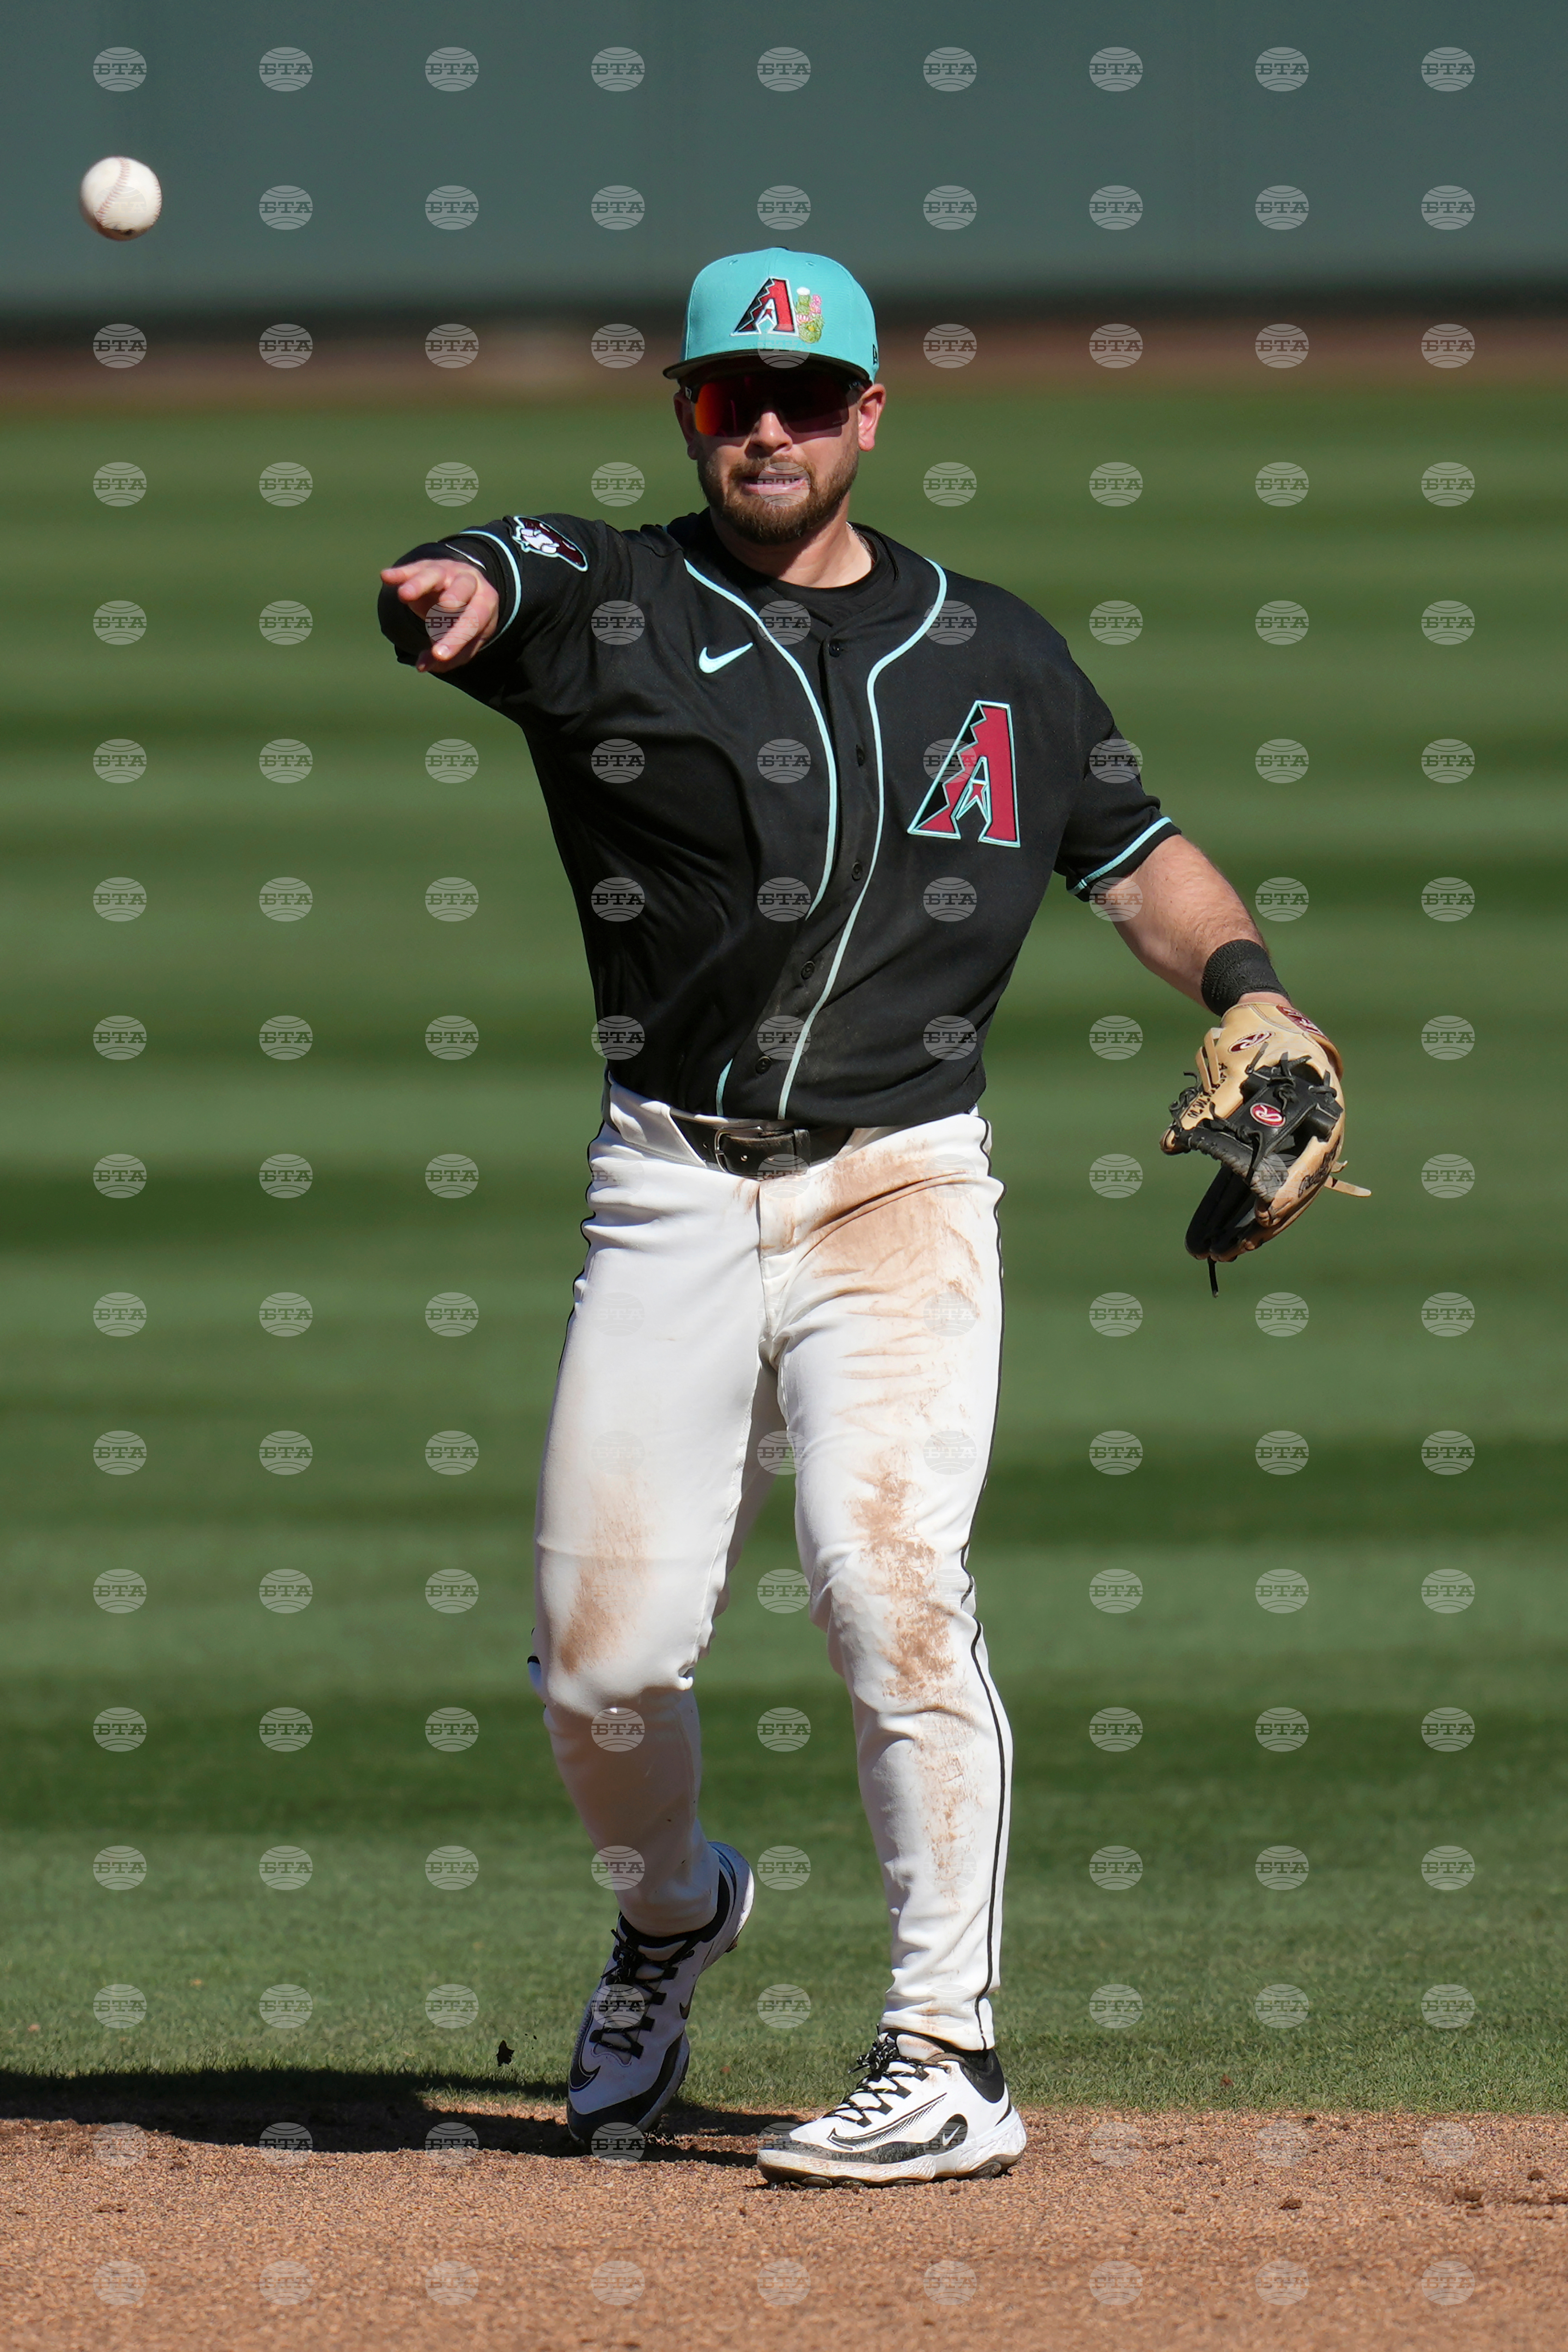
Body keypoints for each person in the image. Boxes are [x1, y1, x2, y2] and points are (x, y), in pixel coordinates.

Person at [378, 249, 1300, 2186]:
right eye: (732, 397)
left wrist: (1250, 992)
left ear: (871, 415)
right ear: (688, 413)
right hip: (671, 1189)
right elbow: (506, 565)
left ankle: (946, 2051)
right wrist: (456, 579)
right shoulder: (613, 604)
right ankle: (667, 1921)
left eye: (806, 396)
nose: (769, 427)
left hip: (901, 1191)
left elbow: (1132, 862)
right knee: (606, 1667)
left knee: (894, 1590)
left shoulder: (997, 655)